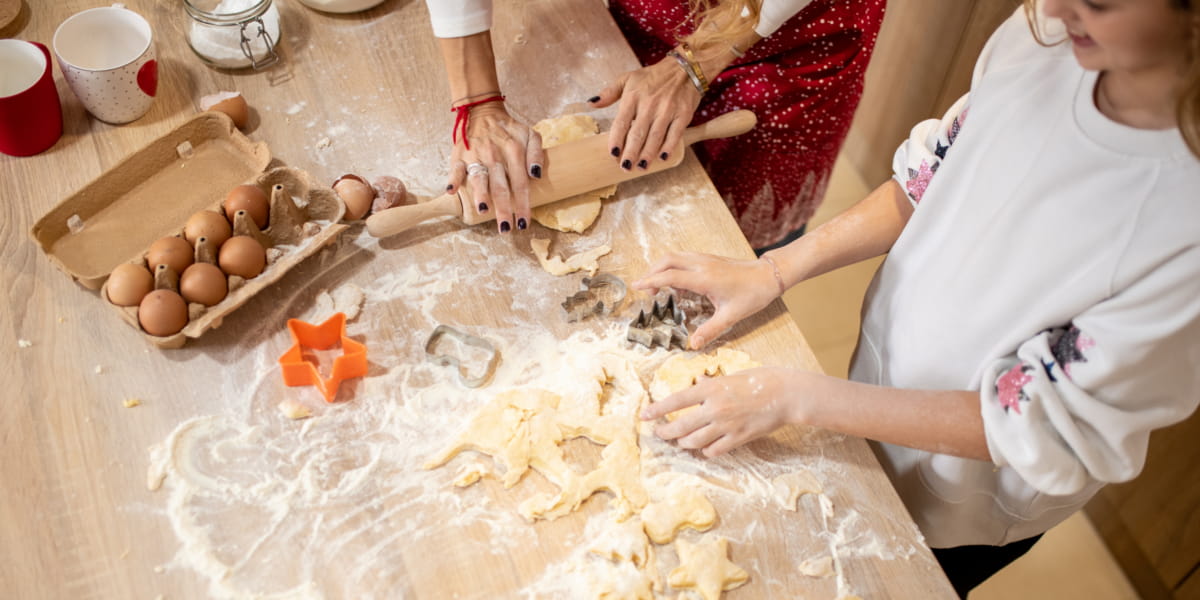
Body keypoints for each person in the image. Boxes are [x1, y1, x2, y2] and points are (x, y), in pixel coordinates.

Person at [633, 0, 1200, 596]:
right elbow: (928, 178)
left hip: (965, 496)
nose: (1057, 6)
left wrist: (803, 398)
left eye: (1100, 2)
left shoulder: (1181, 228)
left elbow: (1037, 423)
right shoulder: (1042, 38)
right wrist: (774, 271)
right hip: (863, 395)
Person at [424, 0, 885, 250]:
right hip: (658, 13)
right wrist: (478, 102)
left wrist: (696, 62)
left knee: (725, 248)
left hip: (789, 49)